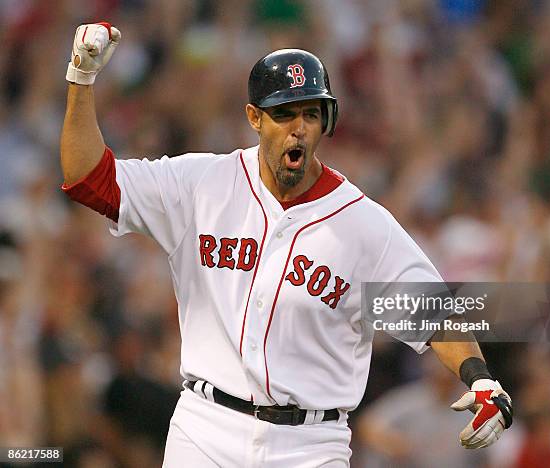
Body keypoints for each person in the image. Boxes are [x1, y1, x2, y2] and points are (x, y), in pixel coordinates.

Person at [60, 22, 512, 467]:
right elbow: (88, 178)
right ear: (254, 117)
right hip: (205, 430)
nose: (299, 128)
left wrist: (481, 379)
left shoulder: (363, 225)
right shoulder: (201, 184)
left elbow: (436, 316)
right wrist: (81, 79)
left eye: (311, 113)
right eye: (284, 113)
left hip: (311, 446)